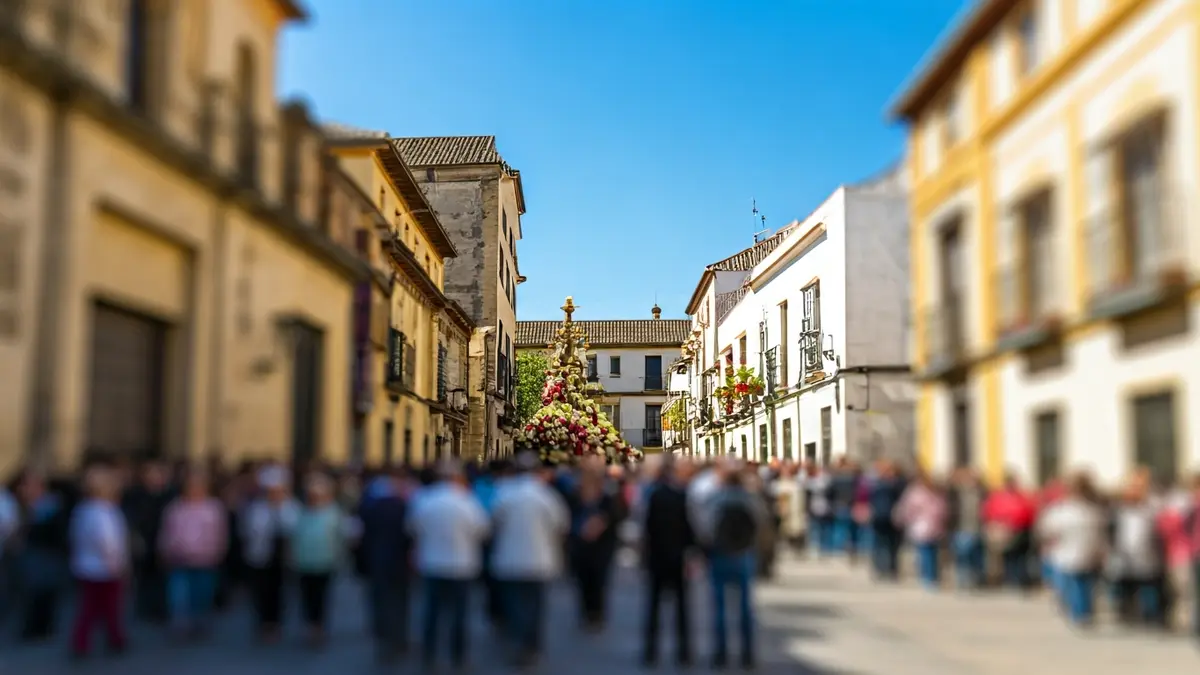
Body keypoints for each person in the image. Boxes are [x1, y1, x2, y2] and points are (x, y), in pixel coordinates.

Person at [408, 461, 491, 670]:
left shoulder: (424, 499)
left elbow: (411, 528)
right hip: (461, 564)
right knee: (459, 614)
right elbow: (482, 529)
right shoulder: (467, 500)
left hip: (432, 563)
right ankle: (458, 656)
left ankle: (430, 655)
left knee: (432, 612)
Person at [490, 452, 570, 668]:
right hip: (540, 562)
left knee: (514, 606)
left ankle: (518, 643)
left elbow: (492, 524)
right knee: (536, 607)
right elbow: (561, 525)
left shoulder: (504, 494)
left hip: (509, 561)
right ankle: (532, 646)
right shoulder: (546, 495)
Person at [703, 466, 768, 670]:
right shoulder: (750, 499)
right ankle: (747, 654)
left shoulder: (716, 499)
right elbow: (761, 523)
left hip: (721, 554)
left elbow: (705, 526)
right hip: (744, 553)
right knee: (745, 607)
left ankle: (721, 653)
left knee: (720, 607)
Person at [69, 465, 131, 658]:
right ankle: (114, 639)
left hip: (85, 566)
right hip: (106, 568)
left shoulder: (82, 510)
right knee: (110, 607)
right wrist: (118, 564)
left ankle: (84, 641)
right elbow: (108, 541)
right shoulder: (104, 512)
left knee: (90, 607)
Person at [158, 468, 227, 638]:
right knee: (179, 595)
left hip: (205, 559)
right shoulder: (176, 508)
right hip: (179, 559)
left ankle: (200, 622)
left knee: (202, 593)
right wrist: (165, 550)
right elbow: (167, 532)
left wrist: (218, 551)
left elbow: (220, 533)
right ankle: (181, 624)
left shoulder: (213, 508)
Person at [640, 457, 695, 668]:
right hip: (677, 558)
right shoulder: (682, 496)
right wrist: (691, 552)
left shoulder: (655, 496)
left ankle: (650, 651)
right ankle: (684, 653)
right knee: (681, 608)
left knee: (654, 606)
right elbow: (689, 530)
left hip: (657, 558)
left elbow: (648, 528)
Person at [1038, 472, 1107, 627]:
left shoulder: (1063, 510)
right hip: (1084, 553)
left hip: (1067, 555)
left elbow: (1047, 529)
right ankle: (1083, 612)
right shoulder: (1093, 510)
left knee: (1072, 584)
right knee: (1083, 584)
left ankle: (1078, 612)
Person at [241, 464, 299, 642]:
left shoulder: (291, 507)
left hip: (282, 558)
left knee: (279, 592)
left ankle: (275, 623)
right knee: (261, 591)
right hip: (261, 556)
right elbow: (248, 530)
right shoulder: (256, 508)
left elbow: (295, 527)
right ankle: (263, 623)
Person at [361, 467, 414, 663]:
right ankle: (399, 639)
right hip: (400, 562)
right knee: (400, 602)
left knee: (381, 600)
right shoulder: (404, 507)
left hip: (379, 560)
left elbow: (364, 536)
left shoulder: (371, 508)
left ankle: (384, 638)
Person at [290, 472, 348, 646]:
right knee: (307, 596)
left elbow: (341, 537)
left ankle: (319, 627)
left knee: (322, 597)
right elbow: (294, 536)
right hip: (304, 563)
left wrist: (340, 557)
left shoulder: (334, 513)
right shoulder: (301, 512)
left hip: (325, 563)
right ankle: (310, 626)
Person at [567, 461, 624, 631]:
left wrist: (601, 523)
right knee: (583, 581)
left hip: (601, 548)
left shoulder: (607, 499)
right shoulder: (575, 497)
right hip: (581, 546)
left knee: (599, 581)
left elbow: (616, 516)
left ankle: (597, 613)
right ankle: (587, 613)